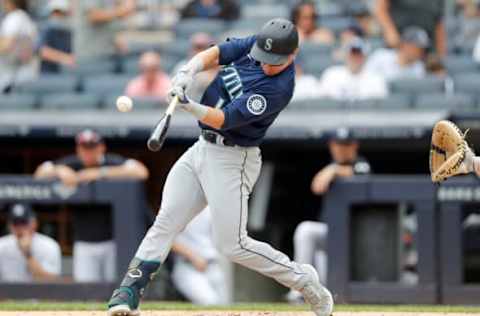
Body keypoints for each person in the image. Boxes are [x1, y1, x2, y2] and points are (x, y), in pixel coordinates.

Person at [107, 18, 333, 316]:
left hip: (234, 159)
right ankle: (128, 292)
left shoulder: (279, 87)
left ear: (292, 54)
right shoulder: (259, 45)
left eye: (275, 61)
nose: (266, 65)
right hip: (201, 148)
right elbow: (214, 54)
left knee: (232, 245)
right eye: (265, 58)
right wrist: (188, 71)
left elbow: (224, 119)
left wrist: (188, 105)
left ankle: (303, 280)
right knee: (166, 221)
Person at [34, 129, 149, 283]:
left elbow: (141, 172)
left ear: (101, 148)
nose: (88, 152)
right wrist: (59, 170)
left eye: (92, 147)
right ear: (78, 149)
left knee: (116, 287)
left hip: (112, 241)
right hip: (84, 242)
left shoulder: (110, 161)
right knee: (86, 291)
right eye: (85, 148)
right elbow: (39, 174)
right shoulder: (72, 164)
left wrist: (97, 173)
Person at [286, 128, 371, 303]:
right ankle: (298, 290)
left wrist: (335, 171)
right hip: (331, 234)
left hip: (355, 235)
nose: (342, 149)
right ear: (332, 146)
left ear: (354, 146)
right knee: (306, 231)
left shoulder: (361, 164)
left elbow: (359, 175)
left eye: (346, 145)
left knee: (334, 291)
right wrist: (333, 169)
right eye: (338, 145)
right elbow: (317, 187)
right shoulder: (331, 167)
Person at [171, 207, 228, 305]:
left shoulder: (211, 207)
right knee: (210, 303)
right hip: (188, 266)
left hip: (213, 265)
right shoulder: (176, 206)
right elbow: (164, 238)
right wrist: (192, 255)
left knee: (224, 307)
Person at [0, 203, 61, 282]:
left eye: (24, 223)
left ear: (34, 223)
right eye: (16, 223)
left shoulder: (49, 245)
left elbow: (52, 281)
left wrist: (28, 255)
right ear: (9, 225)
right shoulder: (2, 245)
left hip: (40, 293)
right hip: (7, 293)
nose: (20, 227)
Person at [317, 37, 388, 101]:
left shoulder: (376, 77)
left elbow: (379, 105)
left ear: (365, 57)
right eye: (353, 53)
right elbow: (323, 100)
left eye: (359, 54)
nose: (355, 58)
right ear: (346, 55)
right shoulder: (331, 74)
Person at [374, 0, 446, 56]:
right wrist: (390, 31)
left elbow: (438, 24)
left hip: (425, 49)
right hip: (398, 47)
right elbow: (380, 8)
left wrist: (440, 53)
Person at [0, 0, 38, 92]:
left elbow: (6, 45)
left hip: (12, 77)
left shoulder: (15, 17)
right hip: (22, 74)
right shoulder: (23, 17)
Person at [171, 32, 217, 101]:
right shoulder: (183, 67)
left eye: (204, 47)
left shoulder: (220, 67)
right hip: (184, 108)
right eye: (197, 47)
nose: (201, 51)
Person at [37, 0, 75, 74]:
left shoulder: (67, 31)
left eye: (61, 13)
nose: (58, 15)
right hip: (47, 74)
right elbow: (42, 51)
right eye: (55, 12)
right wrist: (65, 58)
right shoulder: (46, 29)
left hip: (64, 74)